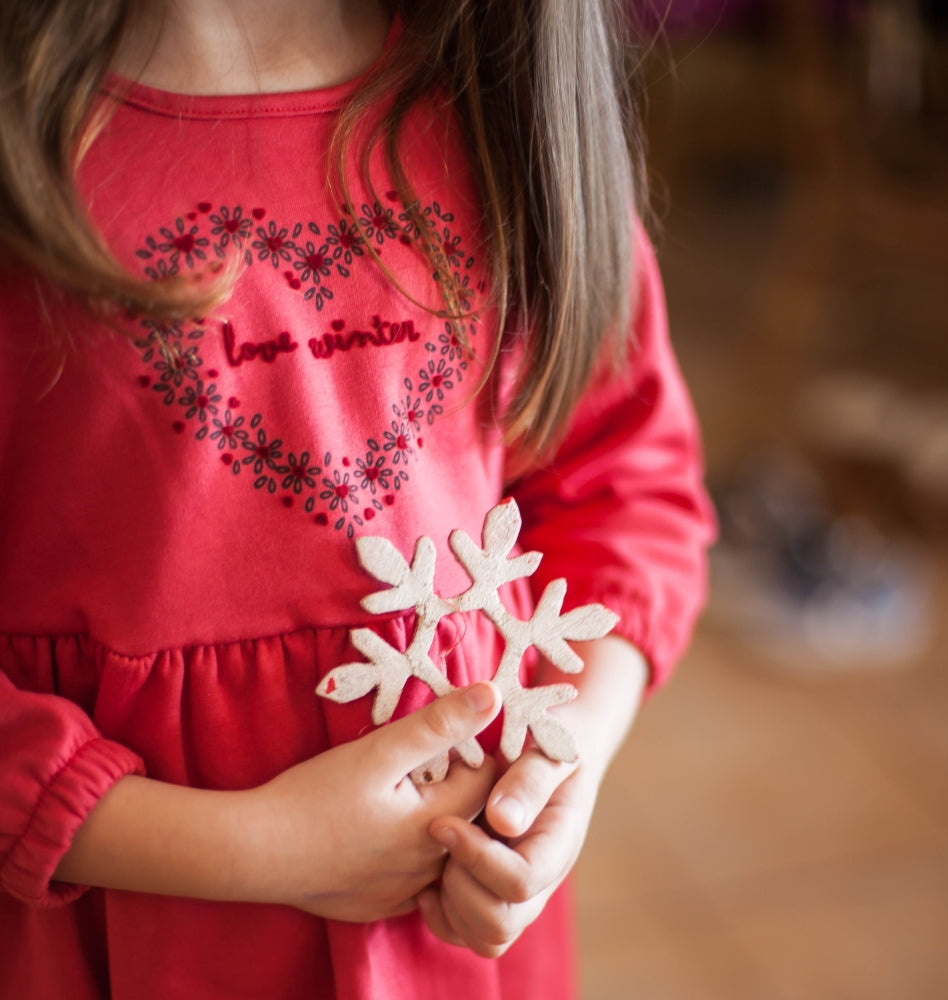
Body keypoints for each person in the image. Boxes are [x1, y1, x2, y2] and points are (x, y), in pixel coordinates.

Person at [0, 1, 713, 997]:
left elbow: (624, 485)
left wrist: (559, 772)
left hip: (444, 941)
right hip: (99, 934)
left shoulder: (504, 109)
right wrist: (249, 847)